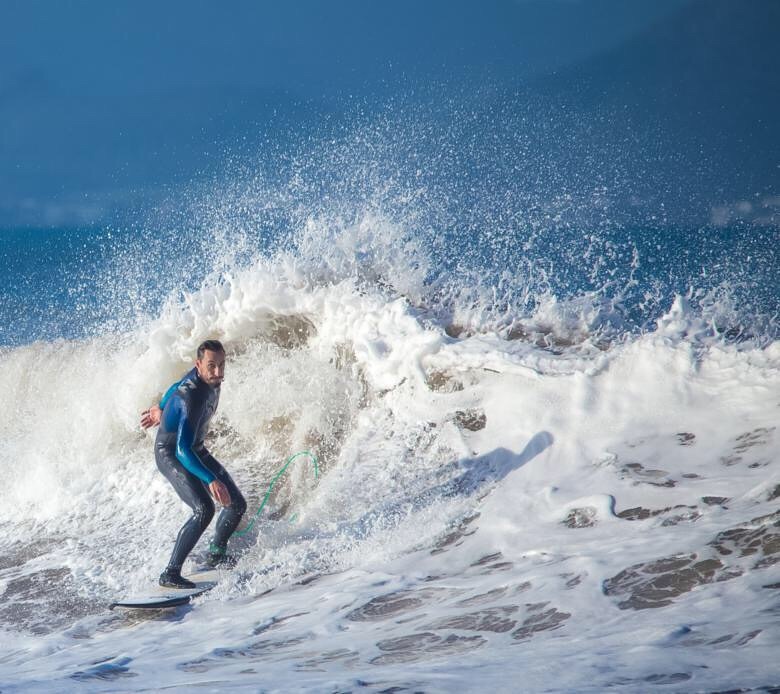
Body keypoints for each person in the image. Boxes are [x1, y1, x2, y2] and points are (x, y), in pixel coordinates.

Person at [141, 339, 247, 589]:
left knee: (236, 505)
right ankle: (170, 573)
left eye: (222, 365)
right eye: (211, 366)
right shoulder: (192, 398)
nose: (218, 372)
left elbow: (174, 386)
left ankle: (216, 552)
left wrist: (161, 407)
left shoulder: (209, 380)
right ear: (198, 365)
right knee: (204, 509)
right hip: (171, 453)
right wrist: (211, 479)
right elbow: (181, 449)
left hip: (195, 449)